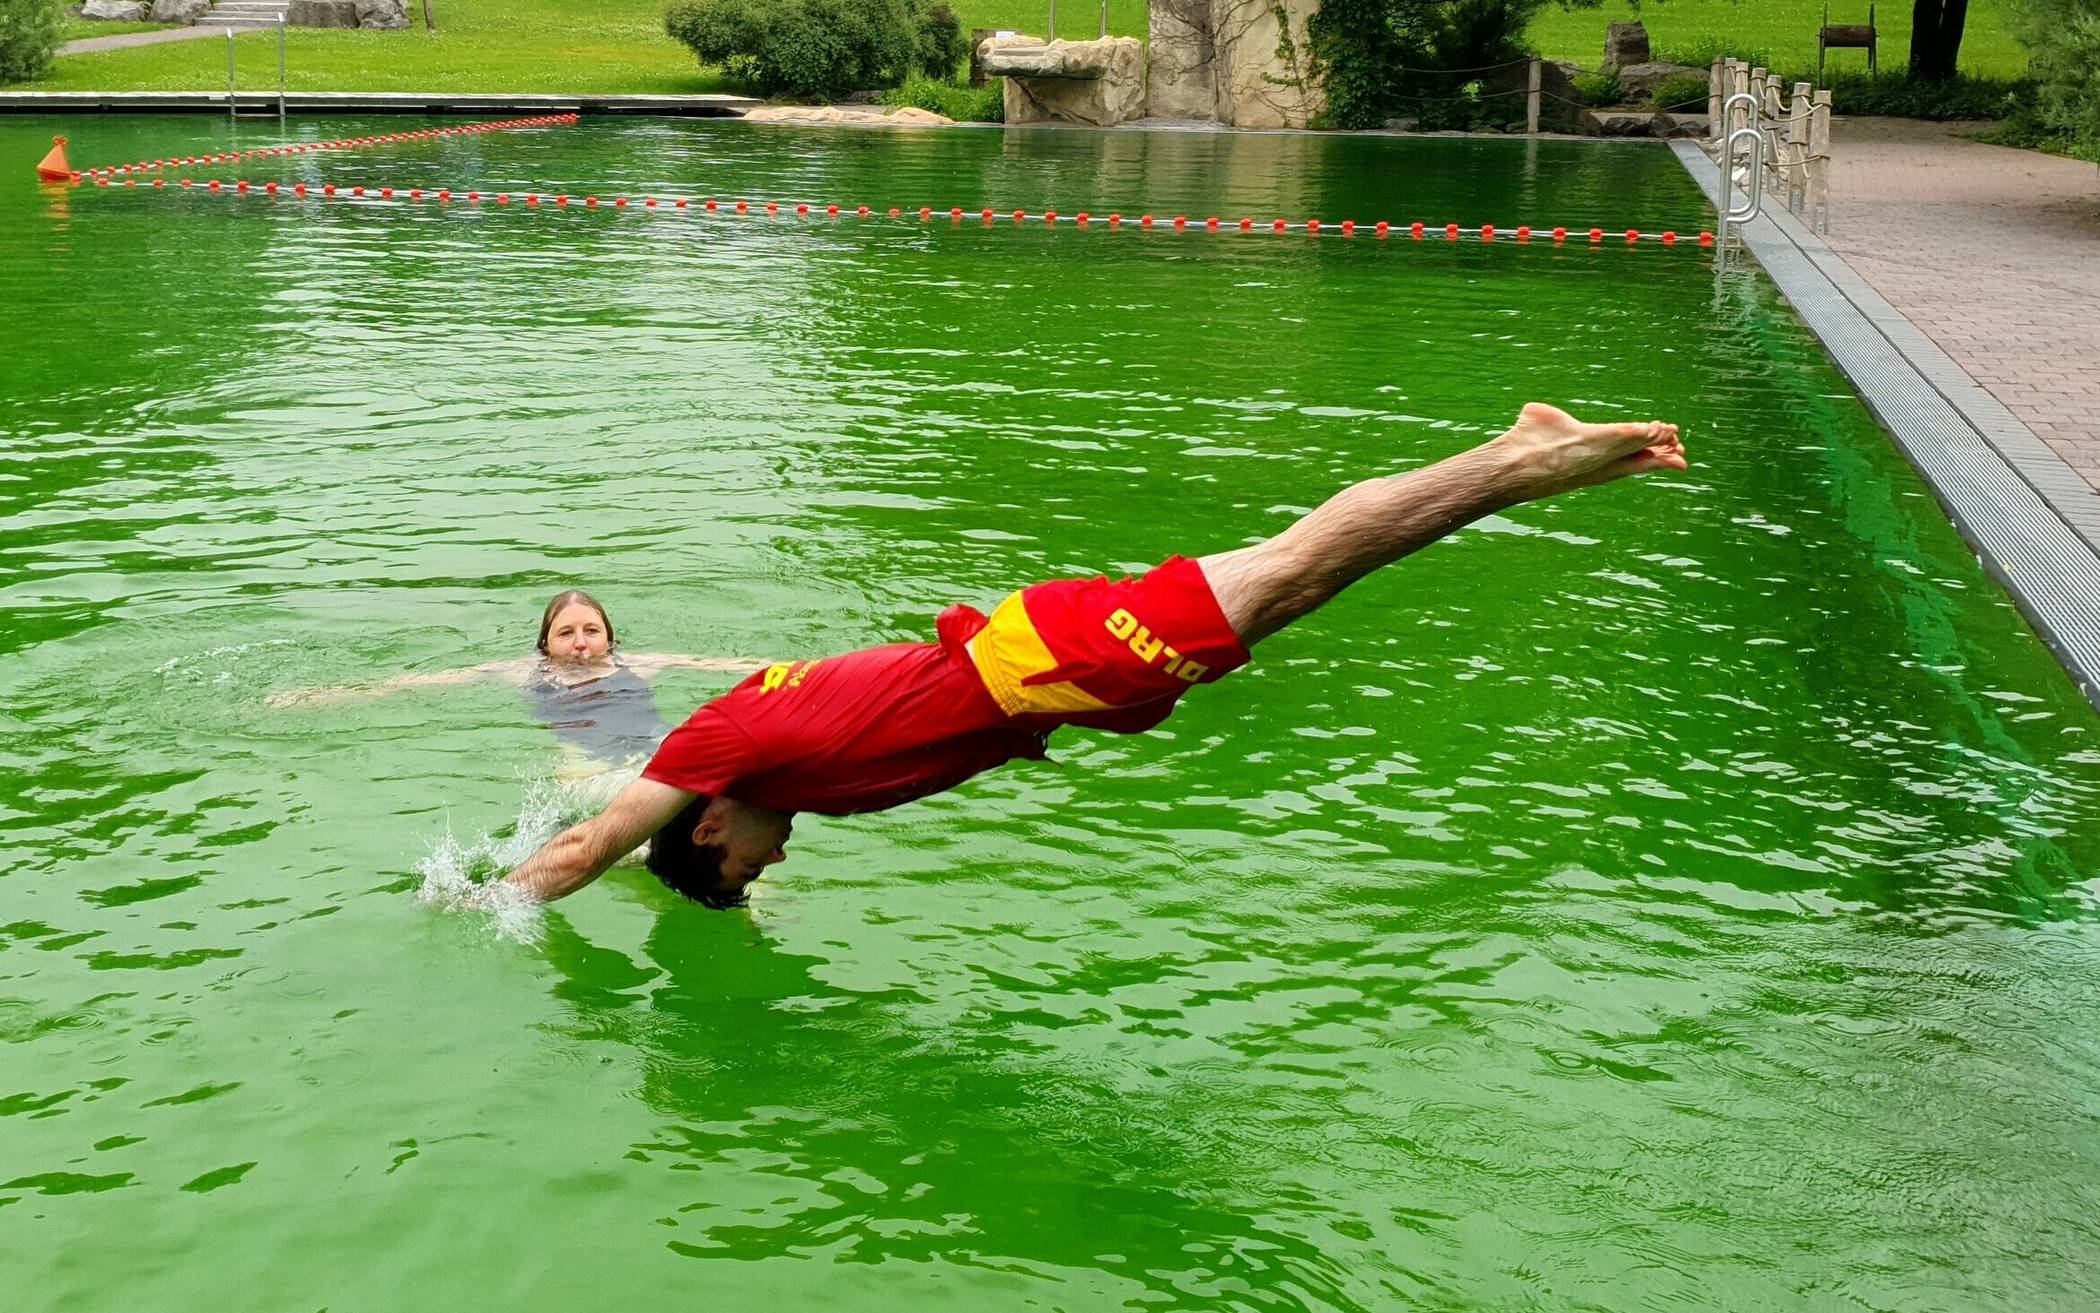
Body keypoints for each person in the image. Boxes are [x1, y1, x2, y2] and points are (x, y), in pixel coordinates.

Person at [501, 405, 1686, 909]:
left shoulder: (718, 751)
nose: (772, 863)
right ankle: (1523, 461)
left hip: (1038, 665)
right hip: (1037, 665)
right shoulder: (751, 770)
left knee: (1305, 566)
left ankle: (1526, 456)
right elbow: (650, 823)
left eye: (747, 871)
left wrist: (479, 904)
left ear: (710, 828)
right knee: (1301, 569)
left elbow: (587, 844)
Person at [272, 590, 763, 764]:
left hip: (654, 756)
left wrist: (816, 674)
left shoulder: (641, 664)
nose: (580, 642)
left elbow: (728, 667)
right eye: (566, 632)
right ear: (545, 643)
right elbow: (424, 683)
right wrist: (324, 696)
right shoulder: (524, 673)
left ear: (609, 638)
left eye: (592, 631)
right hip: (583, 768)